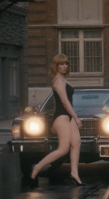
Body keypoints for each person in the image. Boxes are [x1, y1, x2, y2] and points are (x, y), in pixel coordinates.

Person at [30, 54, 85, 186]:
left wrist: (72, 117)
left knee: (76, 143)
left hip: (67, 116)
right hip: (62, 116)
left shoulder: (62, 79)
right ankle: (38, 166)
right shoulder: (58, 81)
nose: (64, 66)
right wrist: (76, 118)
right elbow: (64, 102)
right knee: (63, 149)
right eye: (61, 64)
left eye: (66, 63)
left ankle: (74, 173)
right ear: (56, 66)